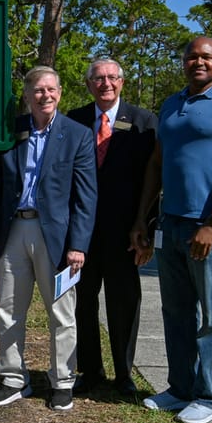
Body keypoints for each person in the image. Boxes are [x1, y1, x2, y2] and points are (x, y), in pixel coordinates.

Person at [130, 36, 212, 423]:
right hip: (171, 221)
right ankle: (181, 388)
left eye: (206, 56)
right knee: (175, 309)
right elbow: (156, 164)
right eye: (191, 57)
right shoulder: (171, 104)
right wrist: (143, 218)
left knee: (211, 313)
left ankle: (209, 395)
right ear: (183, 62)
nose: (198, 62)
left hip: (209, 228)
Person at [0, 65, 97, 412]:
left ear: (60, 93)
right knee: (9, 308)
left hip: (56, 237)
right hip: (14, 230)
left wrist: (78, 245)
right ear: (26, 96)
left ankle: (62, 381)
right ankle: (13, 378)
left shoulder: (77, 135)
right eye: (38, 90)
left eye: (51, 89)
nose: (46, 96)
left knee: (61, 312)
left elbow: (86, 197)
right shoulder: (11, 131)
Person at [67, 59, 157, 397]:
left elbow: (155, 179)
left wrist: (147, 229)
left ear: (122, 82)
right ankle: (90, 372)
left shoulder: (144, 122)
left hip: (126, 233)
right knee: (83, 303)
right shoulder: (72, 120)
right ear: (89, 84)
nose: (105, 83)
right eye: (98, 78)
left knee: (123, 303)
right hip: (81, 234)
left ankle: (124, 375)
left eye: (112, 77)